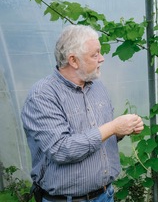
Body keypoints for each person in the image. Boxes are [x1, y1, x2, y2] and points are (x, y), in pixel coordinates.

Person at [21, 24, 144, 202]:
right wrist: (113, 126)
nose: (102, 58)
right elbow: (61, 149)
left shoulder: (97, 86)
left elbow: (101, 135)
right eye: (95, 54)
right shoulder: (42, 96)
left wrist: (121, 130)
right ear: (73, 61)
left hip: (105, 194)